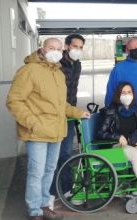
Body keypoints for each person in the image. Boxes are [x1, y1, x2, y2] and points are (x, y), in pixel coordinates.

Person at [6, 38, 90, 220]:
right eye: (52, 48)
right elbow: (14, 101)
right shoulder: (28, 71)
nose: (56, 52)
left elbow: (61, 105)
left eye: (59, 49)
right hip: (37, 133)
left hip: (56, 131)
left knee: (49, 170)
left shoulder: (58, 73)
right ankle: (35, 214)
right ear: (42, 49)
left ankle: (44, 206)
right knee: (36, 173)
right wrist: (32, 123)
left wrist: (78, 112)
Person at [48, 34, 85, 208]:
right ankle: (50, 193)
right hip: (53, 116)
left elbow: (72, 92)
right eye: (75, 46)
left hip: (69, 115)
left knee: (66, 154)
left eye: (80, 47)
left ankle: (67, 189)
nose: (77, 50)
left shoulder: (77, 65)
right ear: (67, 46)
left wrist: (76, 112)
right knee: (52, 156)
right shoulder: (55, 64)